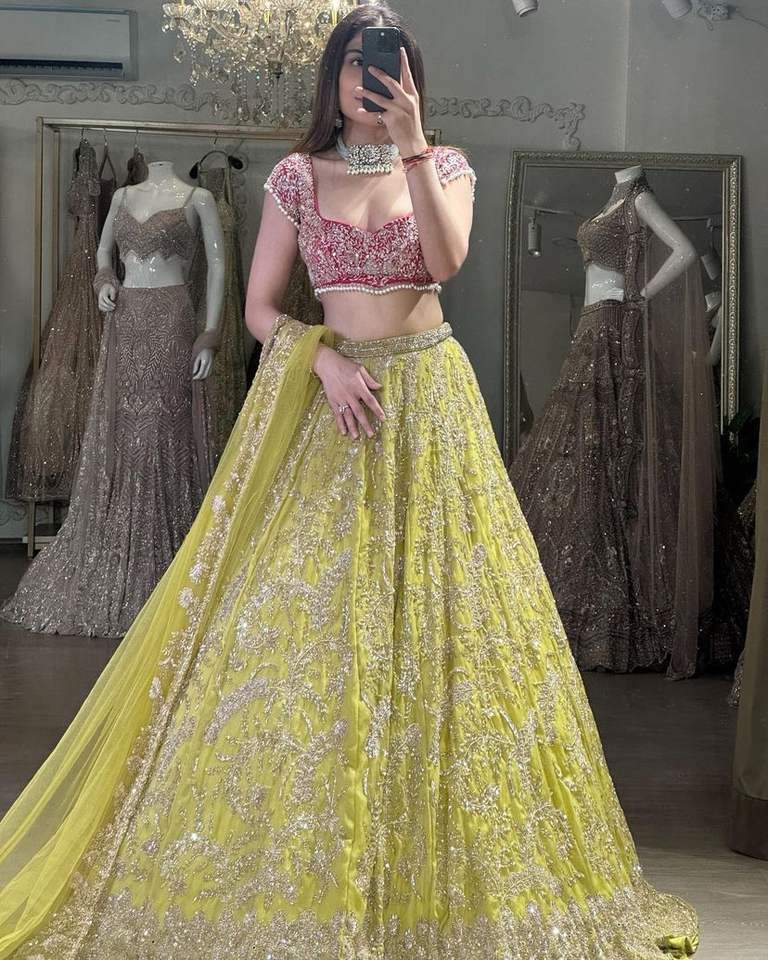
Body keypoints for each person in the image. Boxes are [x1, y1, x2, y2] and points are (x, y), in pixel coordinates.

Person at [0, 5, 698, 958]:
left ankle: (433, 867)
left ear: (410, 78)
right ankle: (312, 853)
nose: (372, 82)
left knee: (450, 623)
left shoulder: (446, 167)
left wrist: (414, 147)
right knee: (309, 619)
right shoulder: (296, 176)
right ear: (333, 78)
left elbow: (446, 261)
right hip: (333, 404)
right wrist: (319, 359)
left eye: (390, 66)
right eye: (357, 67)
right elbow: (257, 308)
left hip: (431, 404)